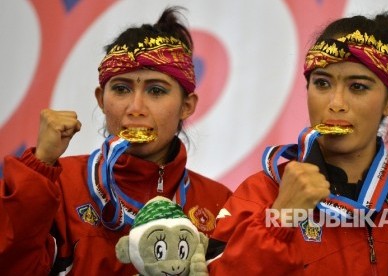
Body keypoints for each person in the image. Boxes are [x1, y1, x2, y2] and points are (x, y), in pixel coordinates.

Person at [206, 12, 388, 275]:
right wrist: (280, 219)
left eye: (357, 87)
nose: (336, 103)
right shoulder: (260, 195)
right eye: (322, 83)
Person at [0, 6, 231, 275]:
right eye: (121, 89)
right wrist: (39, 168)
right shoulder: (57, 187)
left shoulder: (219, 203)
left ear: (186, 106)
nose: (135, 107)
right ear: (101, 99)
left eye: (156, 91)